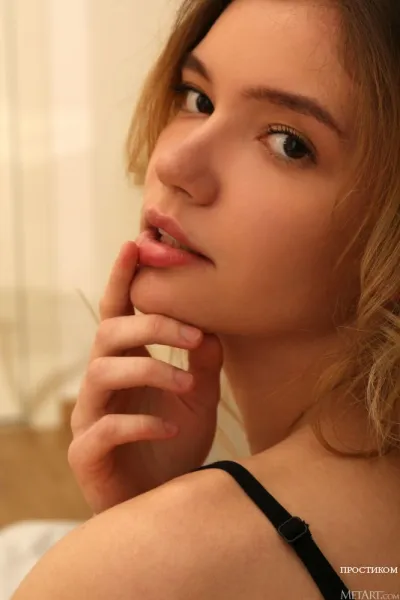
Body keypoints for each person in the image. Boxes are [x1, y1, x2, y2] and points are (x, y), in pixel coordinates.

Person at [12, 0, 400, 598]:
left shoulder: (142, 567)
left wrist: (139, 548)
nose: (173, 163)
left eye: (289, 143)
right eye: (198, 99)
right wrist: (144, 513)